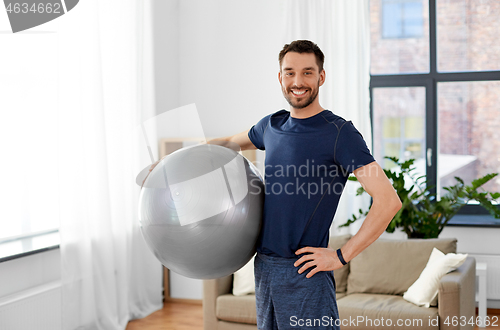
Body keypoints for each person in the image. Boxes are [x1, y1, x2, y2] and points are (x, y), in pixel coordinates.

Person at [209, 40, 402, 330]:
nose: (297, 82)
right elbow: (224, 145)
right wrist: (172, 162)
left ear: (321, 77)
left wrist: (341, 255)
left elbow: (388, 201)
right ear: (280, 77)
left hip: (305, 273)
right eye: (289, 73)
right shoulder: (270, 126)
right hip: (264, 269)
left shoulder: (340, 133)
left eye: (307, 72)